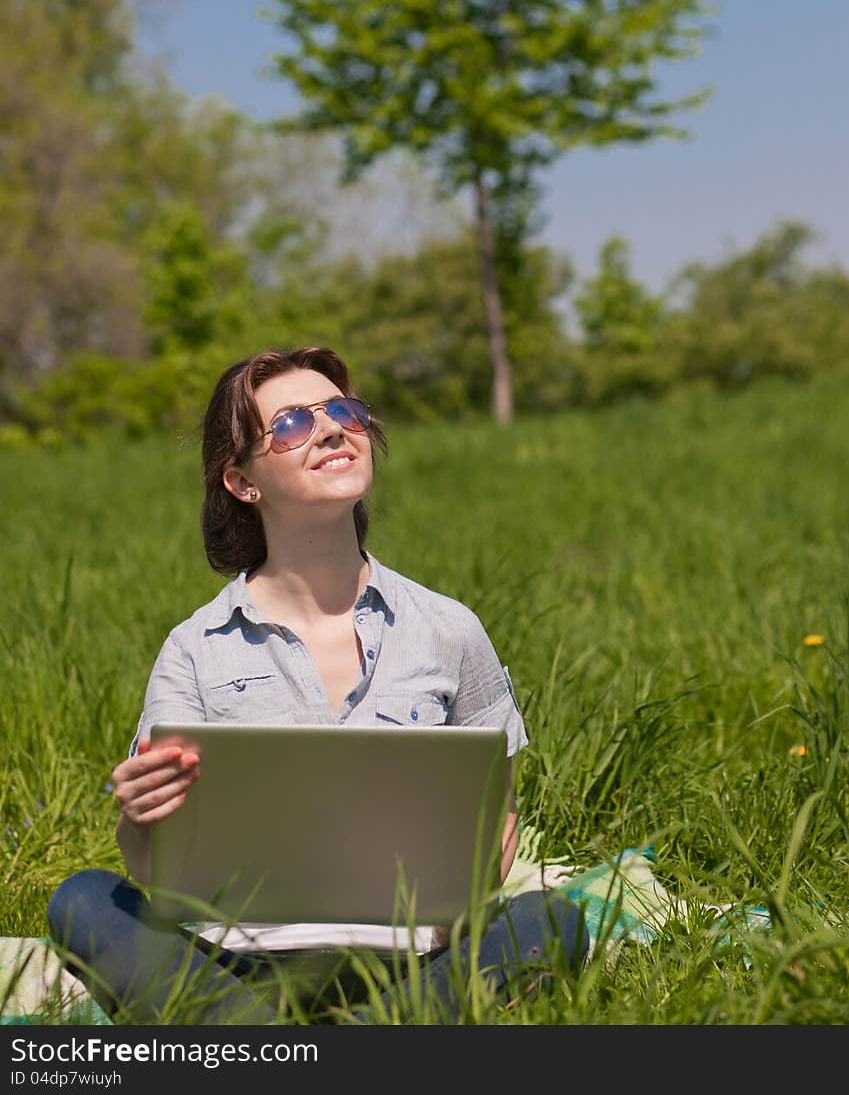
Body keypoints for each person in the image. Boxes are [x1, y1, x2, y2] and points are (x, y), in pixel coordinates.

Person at [47, 346, 588, 1024]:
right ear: (243, 481)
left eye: (342, 410)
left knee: (552, 919)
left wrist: (473, 881)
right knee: (84, 900)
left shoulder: (449, 628)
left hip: (410, 957)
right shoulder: (194, 648)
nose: (333, 427)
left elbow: (494, 815)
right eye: (294, 422)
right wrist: (137, 811)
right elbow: (158, 868)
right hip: (239, 958)